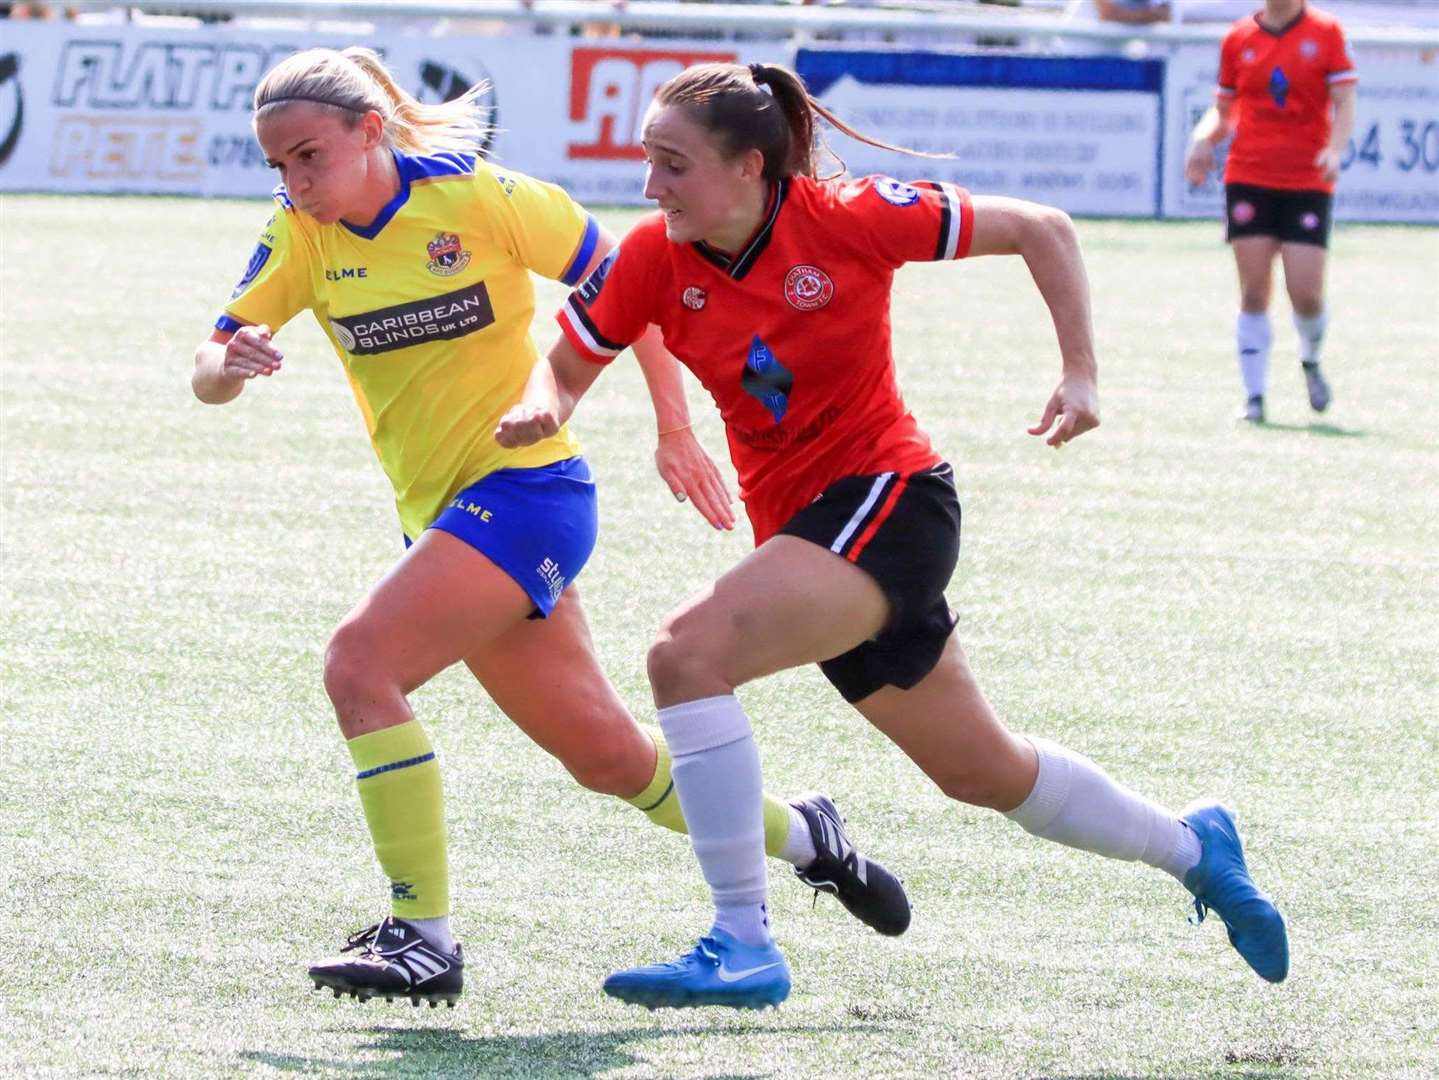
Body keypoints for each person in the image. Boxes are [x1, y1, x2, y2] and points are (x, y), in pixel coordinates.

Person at [498, 60, 1290, 1010]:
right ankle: (1193, 848)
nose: (649, 186)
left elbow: (1041, 226)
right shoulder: (650, 259)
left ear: (749, 166)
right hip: (813, 539)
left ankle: (741, 940)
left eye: (671, 165)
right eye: (646, 162)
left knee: (683, 657)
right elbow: (565, 369)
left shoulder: (845, 216)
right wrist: (537, 407)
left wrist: (1080, 374)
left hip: (891, 500)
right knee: (983, 772)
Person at [190, 47, 911, 1009]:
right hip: (442, 517)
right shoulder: (300, 234)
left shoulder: (478, 197)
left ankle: (422, 936)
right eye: (277, 167)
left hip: (530, 492)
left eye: (308, 157)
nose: (294, 182)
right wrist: (225, 363)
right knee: (608, 757)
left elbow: (636, 291)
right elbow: (210, 359)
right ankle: (805, 835)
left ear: (371, 133)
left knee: (359, 664)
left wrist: (671, 427)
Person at [1184, 0, 1357, 423]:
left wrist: (1334, 150)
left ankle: (1310, 359)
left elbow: (1345, 101)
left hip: (1306, 180)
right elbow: (1224, 113)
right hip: (1249, 175)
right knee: (1254, 290)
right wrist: (1202, 139)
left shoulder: (1326, 31)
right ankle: (1255, 397)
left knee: (1306, 292)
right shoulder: (1239, 36)